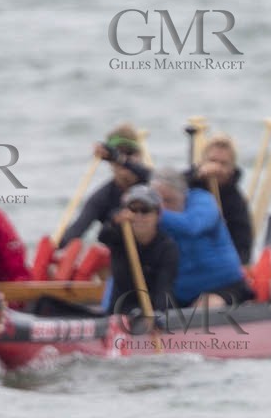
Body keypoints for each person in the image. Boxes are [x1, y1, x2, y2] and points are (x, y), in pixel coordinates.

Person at [150, 167, 253, 308]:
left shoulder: (203, 202)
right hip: (177, 293)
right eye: (157, 203)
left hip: (223, 286)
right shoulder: (152, 216)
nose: (163, 207)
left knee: (206, 309)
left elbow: (192, 226)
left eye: (168, 200)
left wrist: (153, 213)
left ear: (184, 194)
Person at [60, 125, 153, 245]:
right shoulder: (102, 197)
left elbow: (147, 174)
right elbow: (75, 232)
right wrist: (54, 245)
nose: (123, 158)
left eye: (129, 152)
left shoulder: (152, 184)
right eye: (118, 152)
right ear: (109, 161)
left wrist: (118, 158)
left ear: (140, 155)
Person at [102, 184, 180, 321]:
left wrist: (157, 317)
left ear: (158, 215)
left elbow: (164, 289)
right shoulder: (119, 239)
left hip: (153, 310)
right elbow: (103, 235)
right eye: (133, 210)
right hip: (119, 313)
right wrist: (114, 221)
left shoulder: (168, 248)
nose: (138, 216)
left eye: (145, 210)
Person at [188, 133, 253, 263]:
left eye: (223, 164)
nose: (216, 168)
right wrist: (197, 177)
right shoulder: (185, 185)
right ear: (202, 163)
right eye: (212, 161)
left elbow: (243, 247)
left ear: (232, 169)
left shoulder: (236, 202)